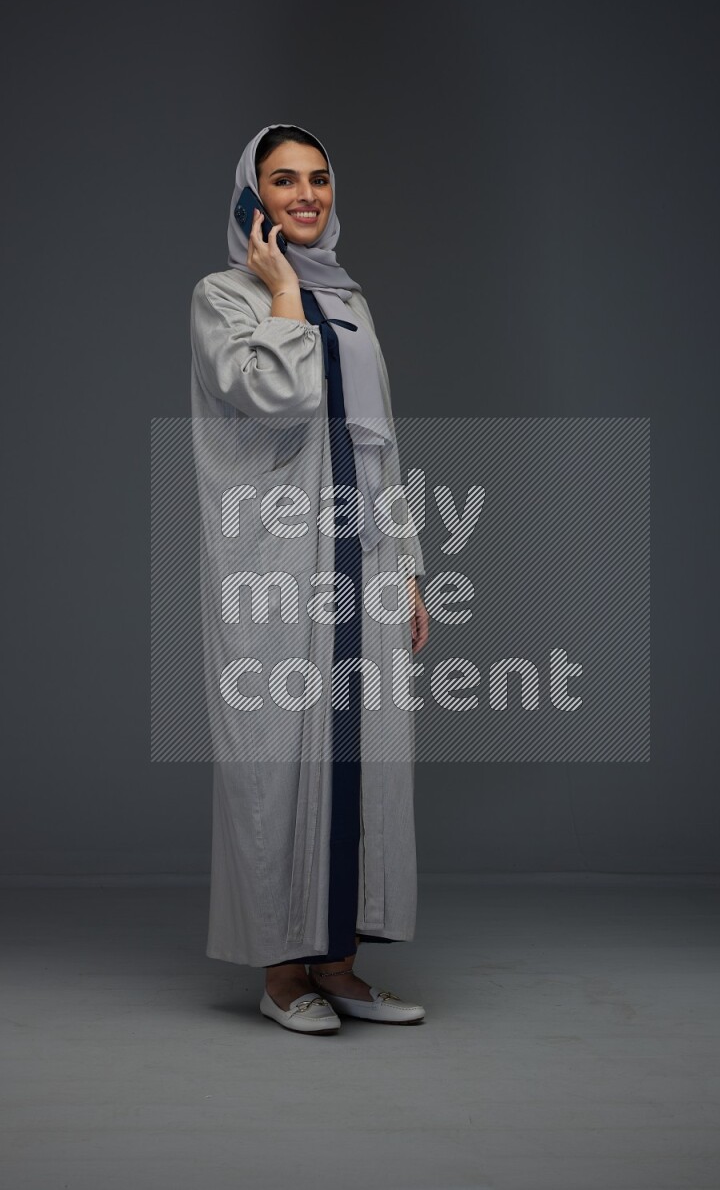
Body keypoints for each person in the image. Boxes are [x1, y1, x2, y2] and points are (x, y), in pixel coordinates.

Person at [189, 124, 430, 1034]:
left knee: (359, 754)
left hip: (360, 555)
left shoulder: (355, 299)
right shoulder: (224, 296)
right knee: (277, 758)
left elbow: (384, 442)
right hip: (278, 558)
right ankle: (282, 970)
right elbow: (276, 395)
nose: (305, 195)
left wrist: (406, 566)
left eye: (319, 179)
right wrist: (284, 289)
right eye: (282, 179)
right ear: (252, 195)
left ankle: (339, 961)